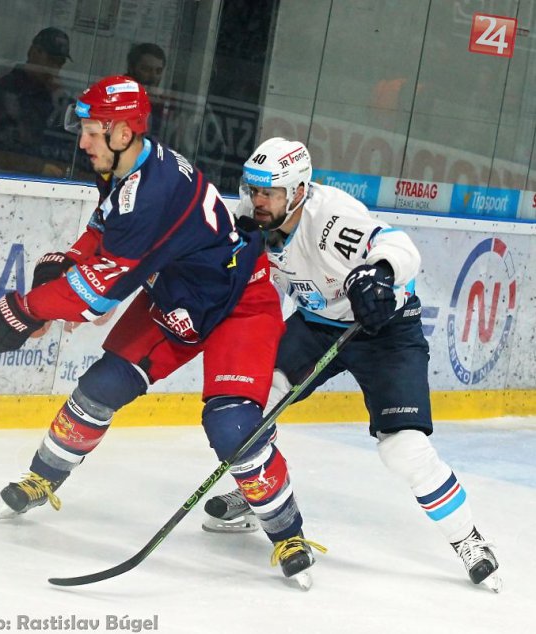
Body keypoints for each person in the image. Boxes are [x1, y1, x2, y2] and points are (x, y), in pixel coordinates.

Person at [0, 76, 325, 586]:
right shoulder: (128, 166)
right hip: (176, 294)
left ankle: (288, 533)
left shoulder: (153, 192)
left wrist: (27, 309)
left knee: (232, 426)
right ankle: (41, 479)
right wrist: (69, 260)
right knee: (100, 387)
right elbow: (103, 228)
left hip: (239, 304)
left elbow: (99, 294)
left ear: (122, 132)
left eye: (92, 131)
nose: (82, 141)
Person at [202, 137, 502, 592]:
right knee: (250, 407)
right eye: (254, 190)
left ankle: (468, 539)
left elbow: (400, 246)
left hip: (385, 330)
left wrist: (379, 274)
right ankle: (260, 491)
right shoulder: (253, 215)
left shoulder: (331, 219)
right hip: (315, 325)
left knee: (403, 448)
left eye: (270, 193)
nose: (258, 201)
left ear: (298, 192)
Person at [0, 27, 74, 176]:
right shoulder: (4, 92)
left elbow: (70, 142)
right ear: (33, 52)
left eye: (60, 63)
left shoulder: (55, 96)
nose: (54, 68)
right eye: (51, 60)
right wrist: (38, 168)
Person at [125, 43, 167, 138]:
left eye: (158, 71)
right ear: (132, 68)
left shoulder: (159, 102)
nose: (153, 76)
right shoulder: (117, 95)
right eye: (147, 70)